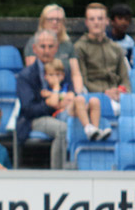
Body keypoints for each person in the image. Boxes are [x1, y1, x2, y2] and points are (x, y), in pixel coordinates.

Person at [17, 30, 105, 170]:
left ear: (56, 48)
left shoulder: (64, 70)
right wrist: (50, 105)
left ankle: (85, 168)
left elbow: (71, 93)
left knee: (81, 121)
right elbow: (28, 109)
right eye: (42, 46)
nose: (47, 50)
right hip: (36, 119)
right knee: (63, 129)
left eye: (50, 46)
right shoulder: (25, 75)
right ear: (34, 49)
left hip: (64, 113)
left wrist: (66, 101)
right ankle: (59, 173)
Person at [74, 2, 131, 112]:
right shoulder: (79, 47)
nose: (96, 22)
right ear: (86, 22)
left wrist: (121, 90)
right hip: (94, 97)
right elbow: (83, 80)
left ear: (107, 21)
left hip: (119, 96)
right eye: (92, 19)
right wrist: (105, 92)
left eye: (100, 19)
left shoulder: (116, 48)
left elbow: (125, 78)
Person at [21, 4, 85, 92]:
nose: (55, 22)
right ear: (43, 22)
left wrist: (77, 93)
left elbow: (76, 74)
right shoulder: (35, 43)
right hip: (43, 90)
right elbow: (33, 74)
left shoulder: (68, 44)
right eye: (51, 19)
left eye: (58, 20)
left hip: (67, 89)